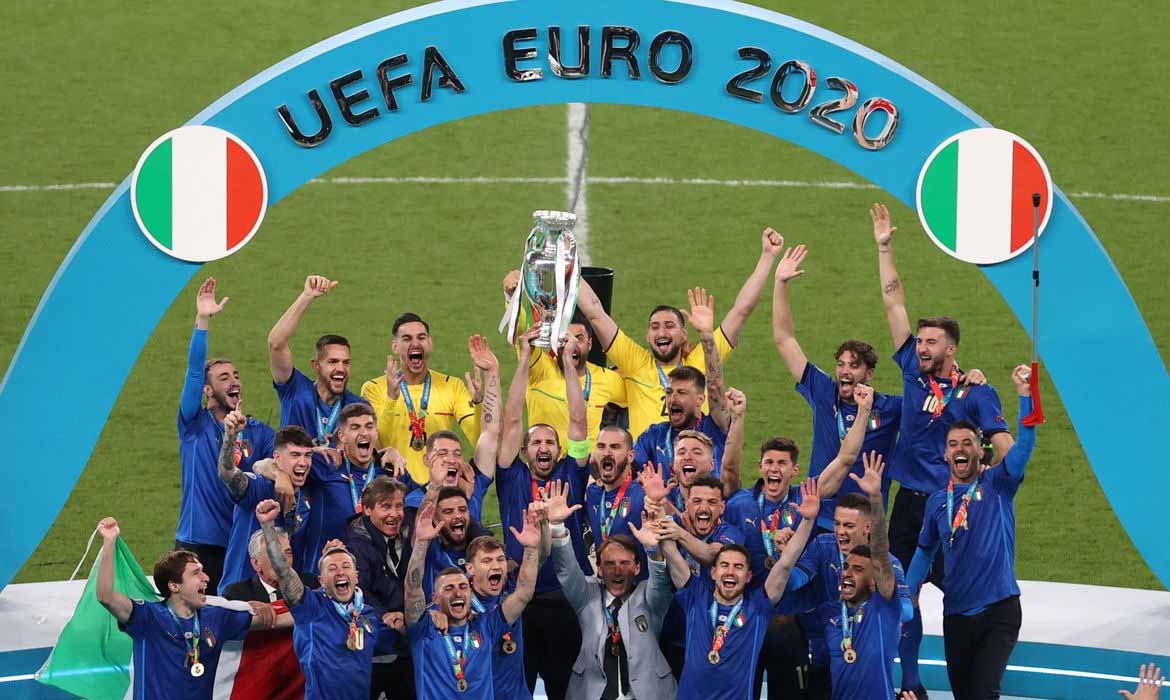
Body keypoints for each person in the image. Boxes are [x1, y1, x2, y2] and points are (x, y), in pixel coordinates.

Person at [871, 203, 1013, 697]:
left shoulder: (976, 393)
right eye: (921, 340)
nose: (922, 346)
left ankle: (982, 676)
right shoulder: (913, 370)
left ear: (951, 348)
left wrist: (999, 475)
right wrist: (884, 248)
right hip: (909, 505)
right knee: (902, 594)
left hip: (954, 508)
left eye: (932, 342)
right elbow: (893, 304)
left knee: (969, 596)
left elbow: (1003, 443)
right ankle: (911, 684)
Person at [576, 228, 785, 438]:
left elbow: (741, 311)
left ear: (684, 334)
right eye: (655, 327)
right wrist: (567, 262)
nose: (661, 332)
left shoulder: (701, 362)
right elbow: (594, 311)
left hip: (695, 457)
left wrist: (767, 257)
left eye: (669, 326)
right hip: (648, 459)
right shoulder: (635, 363)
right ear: (648, 336)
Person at [906, 365, 1037, 700]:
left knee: (983, 693)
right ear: (945, 454)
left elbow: (1024, 447)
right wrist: (908, 593)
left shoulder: (998, 484)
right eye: (953, 444)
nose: (960, 449)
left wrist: (1026, 396)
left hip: (999, 609)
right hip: (956, 614)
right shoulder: (937, 502)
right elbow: (924, 551)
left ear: (980, 451)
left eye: (968, 443)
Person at [771, 245, 902, 532]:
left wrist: (967, 377)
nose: (845, 371)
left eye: (854, 366)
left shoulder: (891, 408)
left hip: (864, 523)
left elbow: (930, 405)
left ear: (869, 373)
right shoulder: (824, 391)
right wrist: (780, 284)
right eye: (841, 364)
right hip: (818, 515)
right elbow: (784, 339)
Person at [659, 479, 821, 700]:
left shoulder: (759, 607)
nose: (730, 572)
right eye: (724, 565)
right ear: (713, 572)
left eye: (738, 567)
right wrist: (656, 503)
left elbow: (785, 564)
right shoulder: (695, 597)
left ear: (748, 577)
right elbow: (670, 550)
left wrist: (807, 521)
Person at [496, 329, 592, 698]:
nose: (544, 447)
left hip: (565, 602)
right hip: (519, 601)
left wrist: (568, 364)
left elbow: (579, 422)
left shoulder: (573, 474)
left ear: (559, 449)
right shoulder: (512, 477)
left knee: (563, 690)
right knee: (516, 689)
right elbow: (512, 420)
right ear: (524, 451)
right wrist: (524, 358)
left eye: (550, 441)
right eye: (536, 441)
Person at [95, 517, 281, 700]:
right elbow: (105, 596)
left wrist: (299, 607)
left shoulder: (216, 616)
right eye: (196, 573)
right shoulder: (148, 617)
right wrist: (110, 542)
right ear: (174, 586)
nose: (206, 578)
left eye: (203, 571)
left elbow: (279, 619)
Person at [177, 277, 275, 594]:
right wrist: (202, 320)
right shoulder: (194, 425)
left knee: (235, 618)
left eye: (236, 375)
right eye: (223, 378)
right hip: (197, 544)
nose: (234, 381)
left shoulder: (259, 432)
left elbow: (282, 462)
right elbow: (194, 371)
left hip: (240, 546)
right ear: (207, 391)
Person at [543, 480, 677, 699]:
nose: (617, 570)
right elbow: (567, 571)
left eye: (624, 563)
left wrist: (653, 550)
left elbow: (661, 581)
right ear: (599, 568)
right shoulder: (587, 595)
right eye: (609, 564)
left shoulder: (649, 596)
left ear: (637, 567)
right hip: (593, 693)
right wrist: (557, 526)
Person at [257, 499, 400, 700]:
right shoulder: (311, 606)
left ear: (356, 576)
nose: (340, 571)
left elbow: (404, 640)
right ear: (321, 581)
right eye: (332, 568)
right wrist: (267, 527)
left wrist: (403, 622)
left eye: (346, 566)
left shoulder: (368, 614)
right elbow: (283, 571)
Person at [404, 500, 542, 699]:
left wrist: (530, 549)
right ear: (435, 598)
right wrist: (421, 543)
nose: (458, 593)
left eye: (462, 587)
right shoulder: (425, 628)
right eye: (449, 588)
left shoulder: (486, 625)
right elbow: (412, 589)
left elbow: (523, 594)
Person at [812, 453, 905, 699]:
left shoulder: (882, 610)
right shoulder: (831, 616)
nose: (847, 573)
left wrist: (876, 498)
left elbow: (881, 557)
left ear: (874, 582)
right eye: (846, 567)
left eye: (858, 569)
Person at [503, 270, 628, 451]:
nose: (571, 344)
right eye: (565, 337)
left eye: (579, 338)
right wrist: (511, 297)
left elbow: (639, 393)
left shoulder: (609, 379)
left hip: (586, 466)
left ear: (590, 344)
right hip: (546, 463)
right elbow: (522, 333)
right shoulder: (540, 369)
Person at [361, 313, 482, 484]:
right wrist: (392, 398)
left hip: (439, 487)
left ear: (430, 343)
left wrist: (478, 404)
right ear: (395, 346)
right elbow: (377, 443)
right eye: (407, 339)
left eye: (421, 337)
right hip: (393, 488)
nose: (415, 343)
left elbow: (477, 439)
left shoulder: (452, 386)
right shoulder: (373, 388)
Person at [633, 287, 730, 474]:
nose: (673, 399)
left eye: (682, 393)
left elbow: (715, 386)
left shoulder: (713, 428)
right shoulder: (653, 435)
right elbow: (631, 474)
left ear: (700, 400)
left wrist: (706, 336)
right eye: (669, 392)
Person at [267, 275, 366, 445]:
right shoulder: (295, 390)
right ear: (316, 366)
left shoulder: (356, 407)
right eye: (333, 362)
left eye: (346, 362)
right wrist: (306, 296)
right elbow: (275, 343)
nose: (341, 368)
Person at [218, 419, 315, 590]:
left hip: (281, 595)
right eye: (294, 455)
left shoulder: (305, 499)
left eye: (307, 455)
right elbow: (227, 473)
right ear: (277, 458)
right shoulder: (260, 487)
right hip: (241, 594)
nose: (303, 462)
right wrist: (230, 438)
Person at [344, 476, 415, 700]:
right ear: (367, 509)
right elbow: (359, 592)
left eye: (399, 506)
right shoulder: (355, 546)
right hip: (374, 648)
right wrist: (385, 616)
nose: (394, 514)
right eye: (385, 507)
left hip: (406, 642)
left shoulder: (411, 528)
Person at [222, 528, 320, 602]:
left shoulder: (310, 584)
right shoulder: (237, 596)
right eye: (274, 554)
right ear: (256, 563)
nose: (284, 560)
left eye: (288, 553)